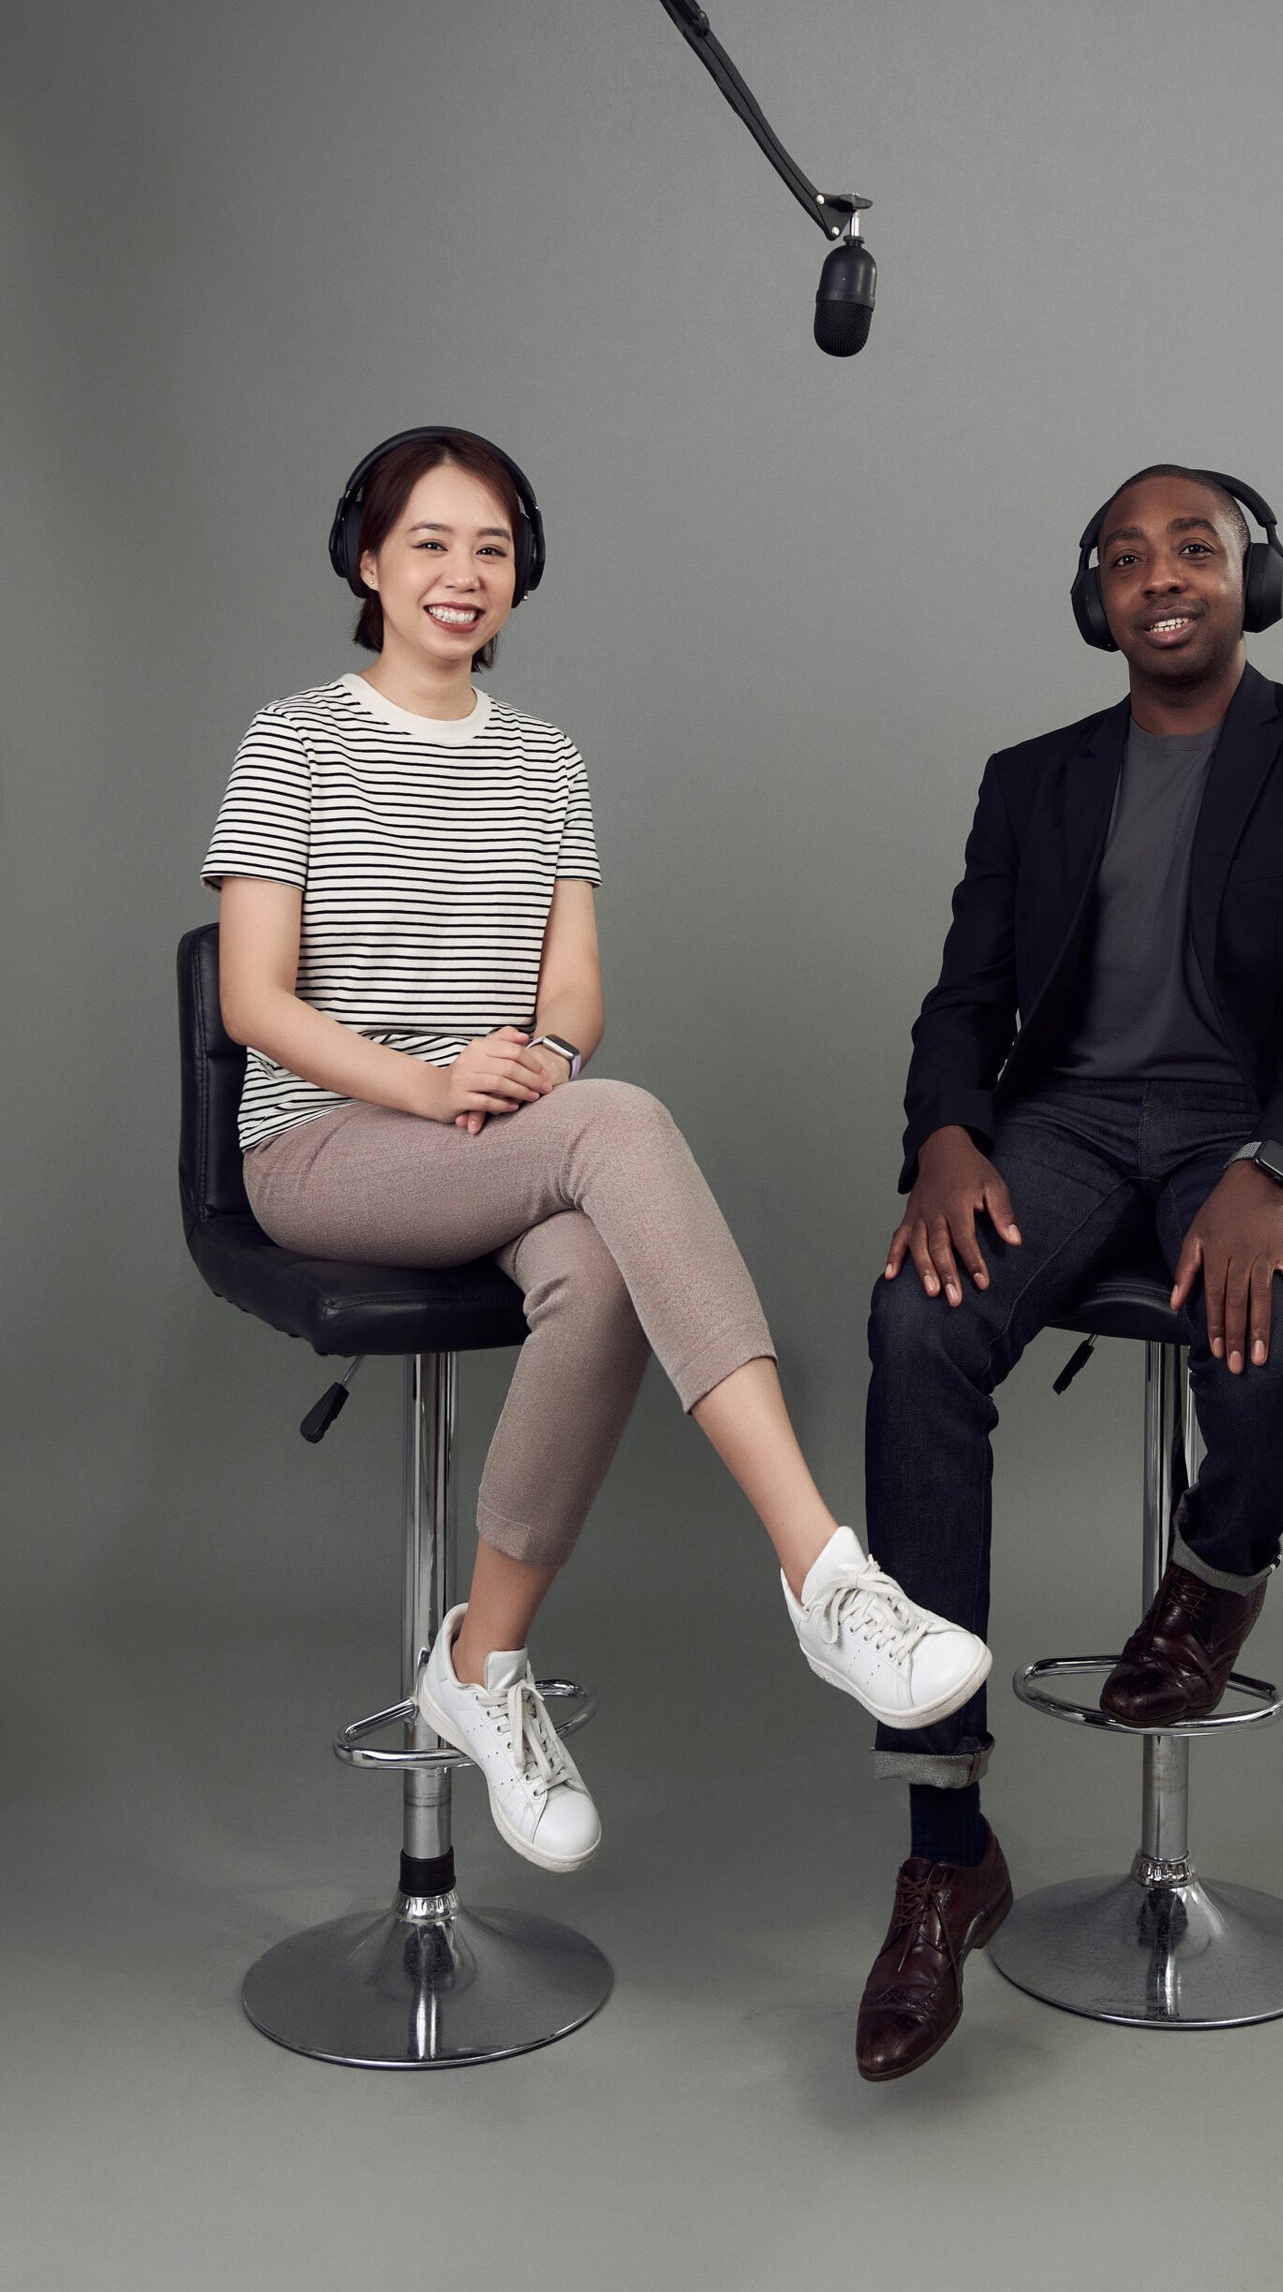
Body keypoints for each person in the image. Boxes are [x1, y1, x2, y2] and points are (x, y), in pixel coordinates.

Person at [205, 424, 990, 1878]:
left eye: (492, 548)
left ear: (522, 576)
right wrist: (434, 1083)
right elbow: (254, 1002)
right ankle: (825, 1572)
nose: (461, 572)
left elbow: (573, 990)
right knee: (621, 1124)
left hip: (502, 1141)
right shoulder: (293, 738)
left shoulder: (546, 761)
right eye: (429, 542)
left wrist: (543, 1068)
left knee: (600, 1258)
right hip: (323, 1145)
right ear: (367, 561)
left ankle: (483, 1666)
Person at [854, 465, 1283, 2080]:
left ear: (1255, 579)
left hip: (1257, 1117)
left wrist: (1274, 1165)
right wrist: (945, 1137)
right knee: (916, 1324)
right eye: (1124, 557)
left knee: (1278, 1326)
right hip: (1069, 1124)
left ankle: (1216, 1574)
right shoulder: (1030, 778)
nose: (1160, 575)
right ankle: (944, 1841)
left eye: (1193, 548)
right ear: (1094, 600)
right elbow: (965, 1000)